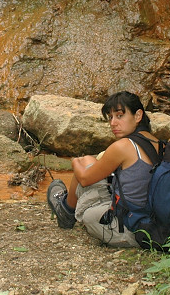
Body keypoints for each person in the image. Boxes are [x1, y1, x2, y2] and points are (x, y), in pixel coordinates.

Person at [46, 91, 157, 247]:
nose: (113, 123)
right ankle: (66, 207)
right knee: (89, 161)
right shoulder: (157, 142)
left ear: (138, 115)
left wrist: (74, 162)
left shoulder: (123, 146)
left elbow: (85, 179)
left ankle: (66, 210)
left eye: (119, 116)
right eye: (110, 117)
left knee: (83, 167)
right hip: (151, 224)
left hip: (128, 231)